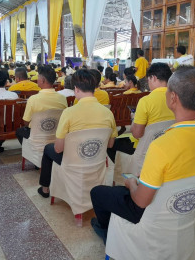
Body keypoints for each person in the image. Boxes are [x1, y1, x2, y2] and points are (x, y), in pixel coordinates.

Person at [90, 66, 195, 243]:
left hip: (152, 214)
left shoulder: (162, 145)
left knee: (98, 193)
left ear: (173, 97)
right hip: (184, 208)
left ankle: (111, 235)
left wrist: (131, 184)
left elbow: (140, 201)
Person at [37, 69, 118, 198]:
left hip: (73, 162)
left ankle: (45, 189)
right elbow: (110, 144)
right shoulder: (107, 112)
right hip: (96, 160)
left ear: (76, 89)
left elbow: (58, 149)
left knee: (49, 149)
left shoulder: (69, 112)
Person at [107, 63, 175, 164]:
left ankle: (128, 174)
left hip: (145, 148)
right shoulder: (177, 98)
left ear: (154, 78)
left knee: (111, 145)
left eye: (148, 80)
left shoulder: (146, 101)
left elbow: (137, 134)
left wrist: (134, 119)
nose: (148, 83)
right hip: (170, 146)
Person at [16, 65, 68, 145]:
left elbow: (26, 122)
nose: (37, 80)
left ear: (42, 80)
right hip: (56, 133)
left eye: (38, 77)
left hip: (37, 136)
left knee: (20, 131)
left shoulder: (33, 99)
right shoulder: (62, 98)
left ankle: (30, 149)